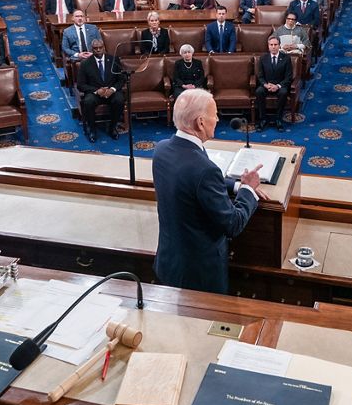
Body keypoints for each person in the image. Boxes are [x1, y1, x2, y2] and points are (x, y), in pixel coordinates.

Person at [152, 89, 261, 294]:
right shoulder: (204, 170)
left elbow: (189, 181)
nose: (218, 118)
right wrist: (248, 189)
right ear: (200, 122)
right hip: (199, 276)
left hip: (169, 263)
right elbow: (232, 224)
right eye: (215, 114)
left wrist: (236, 185)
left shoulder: (161, 149)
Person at [77, 39, 125, 141]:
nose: (98, 50)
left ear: (104, 48)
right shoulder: (85, 63)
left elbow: (121, 79)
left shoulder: (113, 60)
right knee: (88, 102)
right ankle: (92, 130)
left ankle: (112, 127)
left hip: (111, 92)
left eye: (100, 48)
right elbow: (80, 85)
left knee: (120, 100)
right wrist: (96, 90)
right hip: (95, 93)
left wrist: (112, 89)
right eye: (95, 48)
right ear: (92, 49)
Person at [255, 37, 293, 131]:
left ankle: (278, 119)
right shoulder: (263, 58)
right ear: (268, 46)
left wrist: (278, 86)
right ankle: (263, 119)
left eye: (275, 45)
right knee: (259, 91)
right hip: (267, 85)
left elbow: (289, 77)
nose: (273, 47)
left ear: (279, 45)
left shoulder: (286, 58)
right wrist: (265, 85)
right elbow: (260, 76)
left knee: (283, 93)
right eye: (271, 45)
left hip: (280, 85)